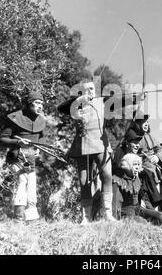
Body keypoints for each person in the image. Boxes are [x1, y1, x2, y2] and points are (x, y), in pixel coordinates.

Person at [57, 77, 128, 223]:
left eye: (92, 89)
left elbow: (121, 101)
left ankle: (108, 213)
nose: (91, 91)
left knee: (107, 175)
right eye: (87, 89)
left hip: (100, 143)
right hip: (82, 144)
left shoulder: (101, 102)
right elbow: (61, 108)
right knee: (84, 181)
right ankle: (86, 217)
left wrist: (136, 98)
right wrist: (79, 100)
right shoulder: (76, 105)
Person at [0, 91, 46, 221]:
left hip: (30, 160)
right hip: (15, 158)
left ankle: (31, 219)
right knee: (23, 180)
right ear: (29, 104)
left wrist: (39, 149)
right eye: (37, 103)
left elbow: (41, 140)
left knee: (32, 186)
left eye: (41, 103)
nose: (40, 106)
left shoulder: (41, 121)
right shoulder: (15, 118)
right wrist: (17, 142)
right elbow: (2, 139)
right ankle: (18, 218)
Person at [112, 129, 162, 223]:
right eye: (135, 143)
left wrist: (151, 210)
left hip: (137, 208)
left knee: (161, 217)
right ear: (127, 143)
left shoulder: (137, 178)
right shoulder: (119, 156)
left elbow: (142, 195)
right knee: (143, 222)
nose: (138, 145)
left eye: (138, 143)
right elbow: (116, 201)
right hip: (125, 210)